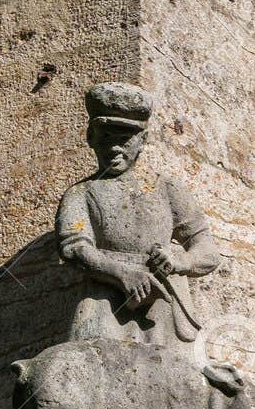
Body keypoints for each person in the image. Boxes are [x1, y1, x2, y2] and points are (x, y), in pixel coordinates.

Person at [56, 82, 220, 349]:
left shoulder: (167, 189)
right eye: (106, 137)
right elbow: (74, 247)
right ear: (90, 137)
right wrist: (122, 273)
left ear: (143, 140)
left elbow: (207, 250)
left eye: (125, 140)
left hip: (162, 303)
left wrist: (179, 261)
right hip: (103, 302)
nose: (114, 148)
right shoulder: (81, 193)